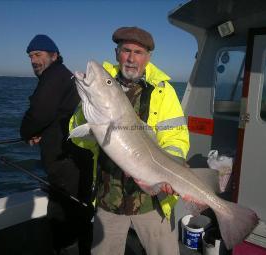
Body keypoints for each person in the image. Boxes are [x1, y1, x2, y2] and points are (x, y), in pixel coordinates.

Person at [69, 26, 190, 255]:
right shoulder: (96, 93)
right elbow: (79, 139)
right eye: (126, 51)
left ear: (148, 57)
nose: (131, 59)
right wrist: (88, 114)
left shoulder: (163, 91)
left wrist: (170, 171)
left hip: (151, 202)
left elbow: (176, 137)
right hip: (109, 199)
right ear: (117, 53)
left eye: (138, 52)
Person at [20, 34, 94, 255]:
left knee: (64, 215)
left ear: (54, 56)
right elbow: (57, 113)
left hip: (65, 162)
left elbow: (39, 113)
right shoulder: (63, 75)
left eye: (38, 54)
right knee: (80, 211)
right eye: (31, 56)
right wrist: (41, 131)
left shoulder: (53, 76)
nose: (34, 60)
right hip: (75, 159)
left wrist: (26, 133)